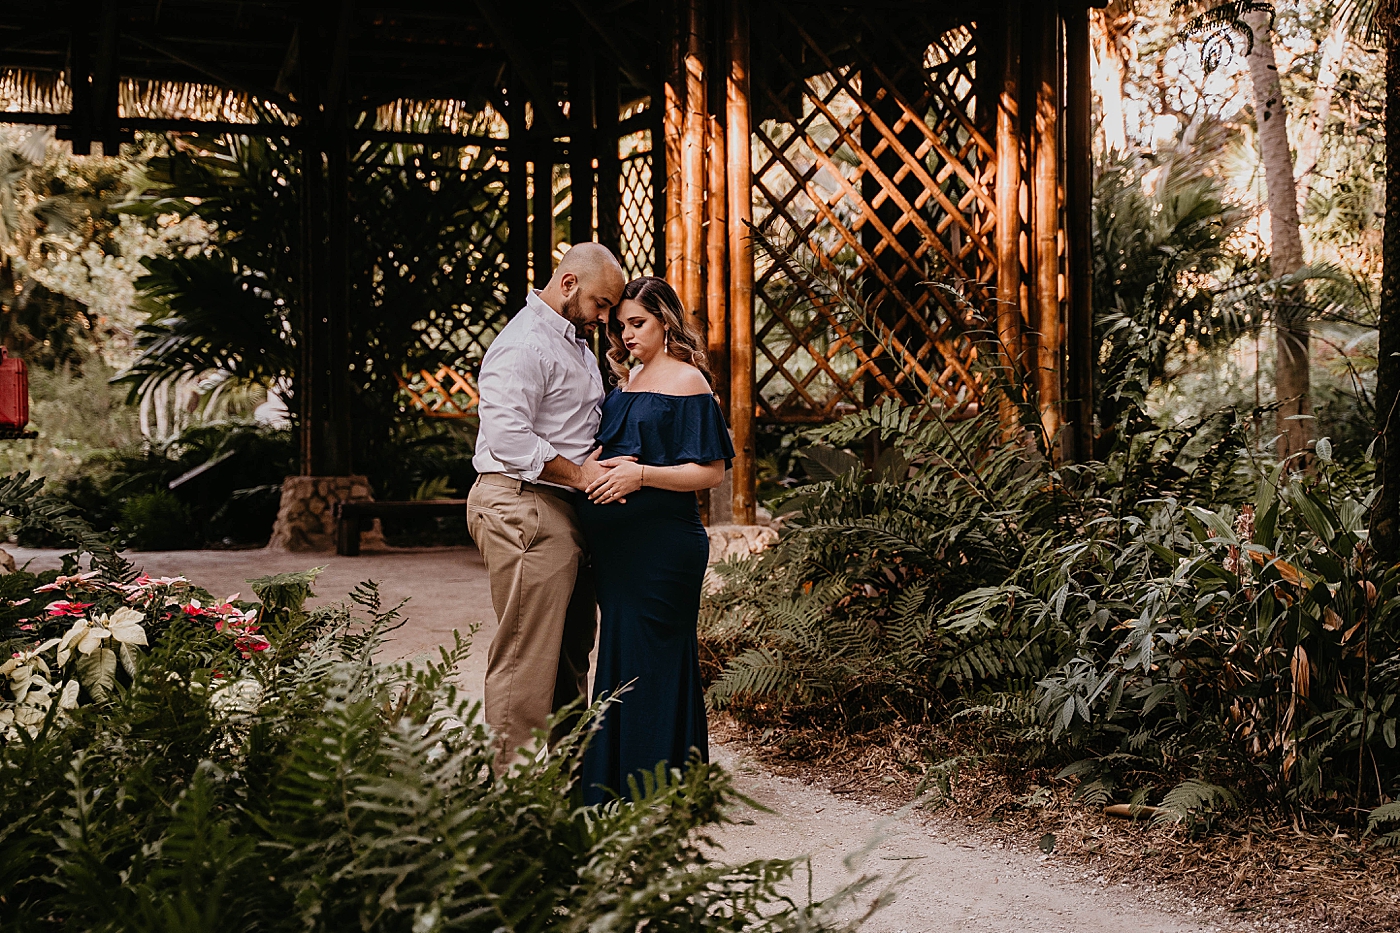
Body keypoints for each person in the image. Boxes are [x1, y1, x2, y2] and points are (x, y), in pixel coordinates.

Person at [576, 276, 734, 804]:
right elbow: (612, 451)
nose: (626, 335)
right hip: (618, 552)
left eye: (637, 323)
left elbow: (710, 471)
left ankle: (665, 786)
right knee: (619, 655)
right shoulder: (627, 383)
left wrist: (640, 477)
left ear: (665, 321)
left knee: (659, 658)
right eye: (621, 326)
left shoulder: (687, 382)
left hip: (664, 549)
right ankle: (616, 780)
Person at [467, 243, 627, 767]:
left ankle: (563, 779)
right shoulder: (524, 344)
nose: (607, 318)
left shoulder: (573, 340)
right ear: (569, 285)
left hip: (563, 506)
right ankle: (515, 793)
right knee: (527, 654)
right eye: (602, 304)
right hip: (521, 501)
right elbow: (507, 436)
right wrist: (581, 474)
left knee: (570, 649)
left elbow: (572, 423)